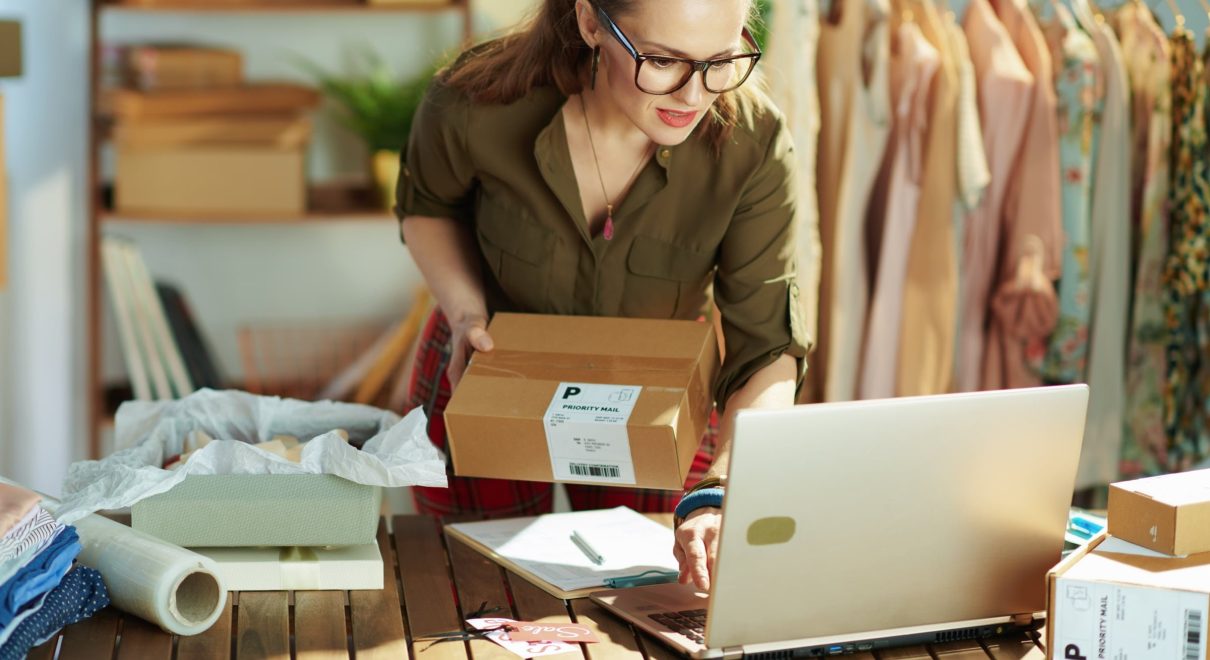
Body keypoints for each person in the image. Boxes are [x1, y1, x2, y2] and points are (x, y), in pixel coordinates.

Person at [397, 0, 810, 591]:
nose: (694, 96)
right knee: (470, 594)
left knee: (661, 599)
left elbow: (766, 347)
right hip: (484, 368)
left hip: (658, 399)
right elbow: (427, 209)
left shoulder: (755, 142)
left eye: (720, 60)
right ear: (591, 21)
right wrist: (465, 313)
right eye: (663, 60)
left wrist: (725, 487)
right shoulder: (475, 100)